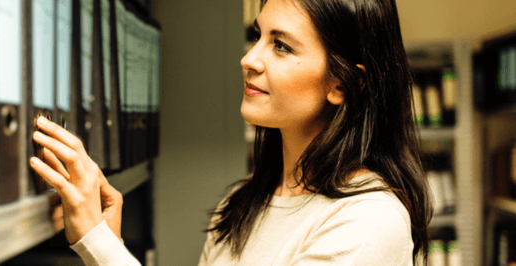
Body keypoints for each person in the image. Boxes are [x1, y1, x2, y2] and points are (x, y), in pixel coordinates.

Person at [29, 0, 432, 265]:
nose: (248, 58)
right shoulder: (239, 205)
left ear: (342, 84)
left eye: (282, 46)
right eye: (258, 36)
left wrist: (98, 244)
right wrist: (109, 243)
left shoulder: (369, 221)